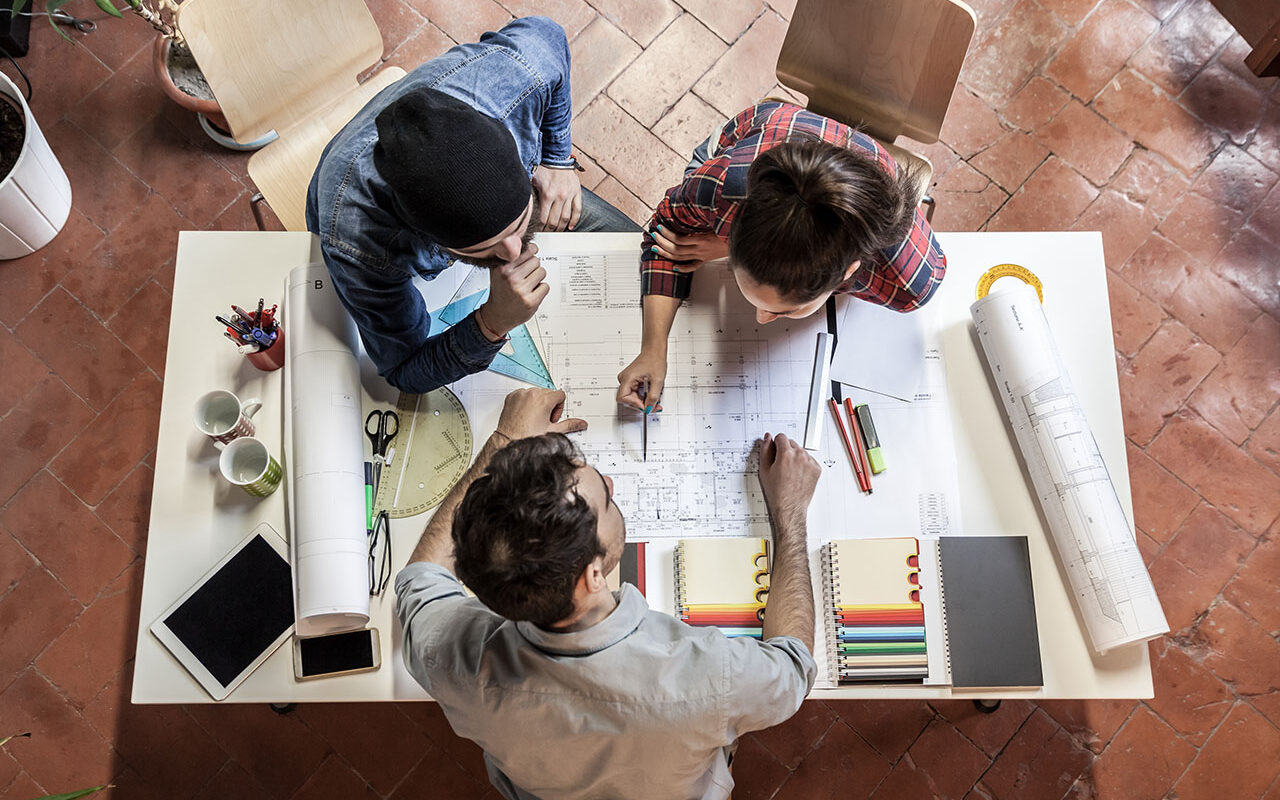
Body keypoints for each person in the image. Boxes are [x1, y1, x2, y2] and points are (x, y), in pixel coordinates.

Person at [396, 387, 820, 800]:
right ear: (593, 575)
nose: (613, 484)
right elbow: (794, 667)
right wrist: (790, 512)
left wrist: (503, 448)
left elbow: (420, 575)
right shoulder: (710, 675)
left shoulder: (453, 659)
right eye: (605, 499)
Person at [307, 17, 639, 394]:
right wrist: (492, 323)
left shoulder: (518, 74)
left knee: (638, 249)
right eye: (484, 248)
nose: (517, 252)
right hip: (356, 216)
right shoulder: (357, 244)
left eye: (519, 223)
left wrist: (557, 160)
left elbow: (549, 34)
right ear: (429, 238)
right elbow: (404, 370)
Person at [616, 101, 947, 412]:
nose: (760, 319)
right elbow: (665, 227)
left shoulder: (909, 283)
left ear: (848, 273)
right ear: (734, 223)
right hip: (763, 130)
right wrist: (653, 349)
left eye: (786, 309)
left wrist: (723, 244)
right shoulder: (721, 185)